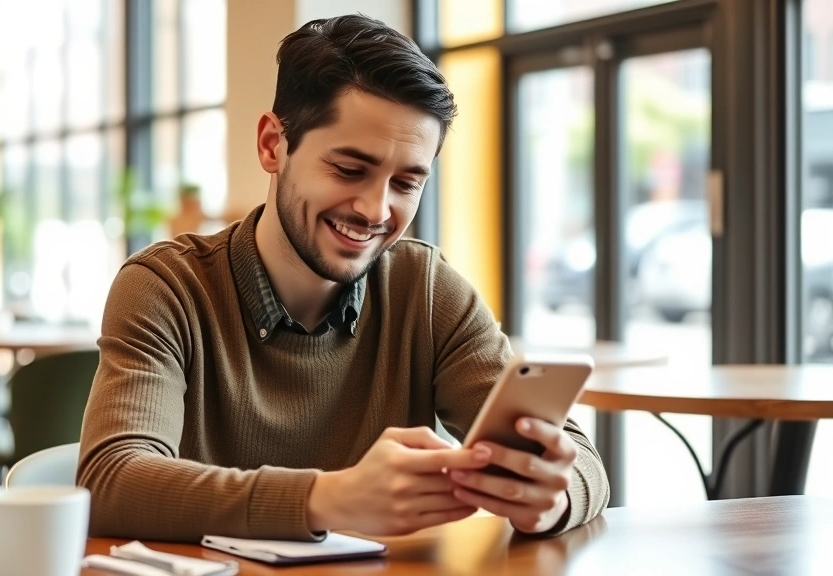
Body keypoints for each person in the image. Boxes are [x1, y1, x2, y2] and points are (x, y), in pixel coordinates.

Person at [78, 13, 609, 543]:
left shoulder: (425, 290)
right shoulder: (166, 287)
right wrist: (330, 498)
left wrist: (547, 497)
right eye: (350, 170)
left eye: (405, 182)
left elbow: (582, 462)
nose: (375, 209)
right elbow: (110, 482)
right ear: (272, 145)